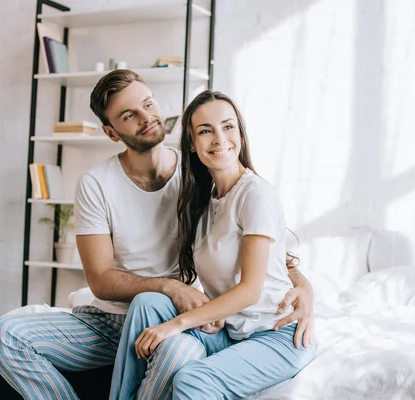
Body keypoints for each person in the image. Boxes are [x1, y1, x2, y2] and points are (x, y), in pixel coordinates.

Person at [0, 70, 314, 400]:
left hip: (175, 315)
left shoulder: (198, 175)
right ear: (111, 132)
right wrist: (170, 286)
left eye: (148, 104)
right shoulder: (97, 183)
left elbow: (259, 244)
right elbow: (98, 280)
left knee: (177, 356)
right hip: (111, 321)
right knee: (4, 335)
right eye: (129, 115)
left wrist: (303, 286)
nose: (146, 118)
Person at [110, 89, 318, 400]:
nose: (219, 138)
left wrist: (176, 325)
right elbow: (262, 263)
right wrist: (208, 309)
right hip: (230, 333)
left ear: (241, 135)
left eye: (228, 126)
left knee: (193, 381)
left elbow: (251, 290)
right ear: (192, 144)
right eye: (206, 131)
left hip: (276, 336)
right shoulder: (204, 203)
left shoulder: (254, 195)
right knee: (147, 302)